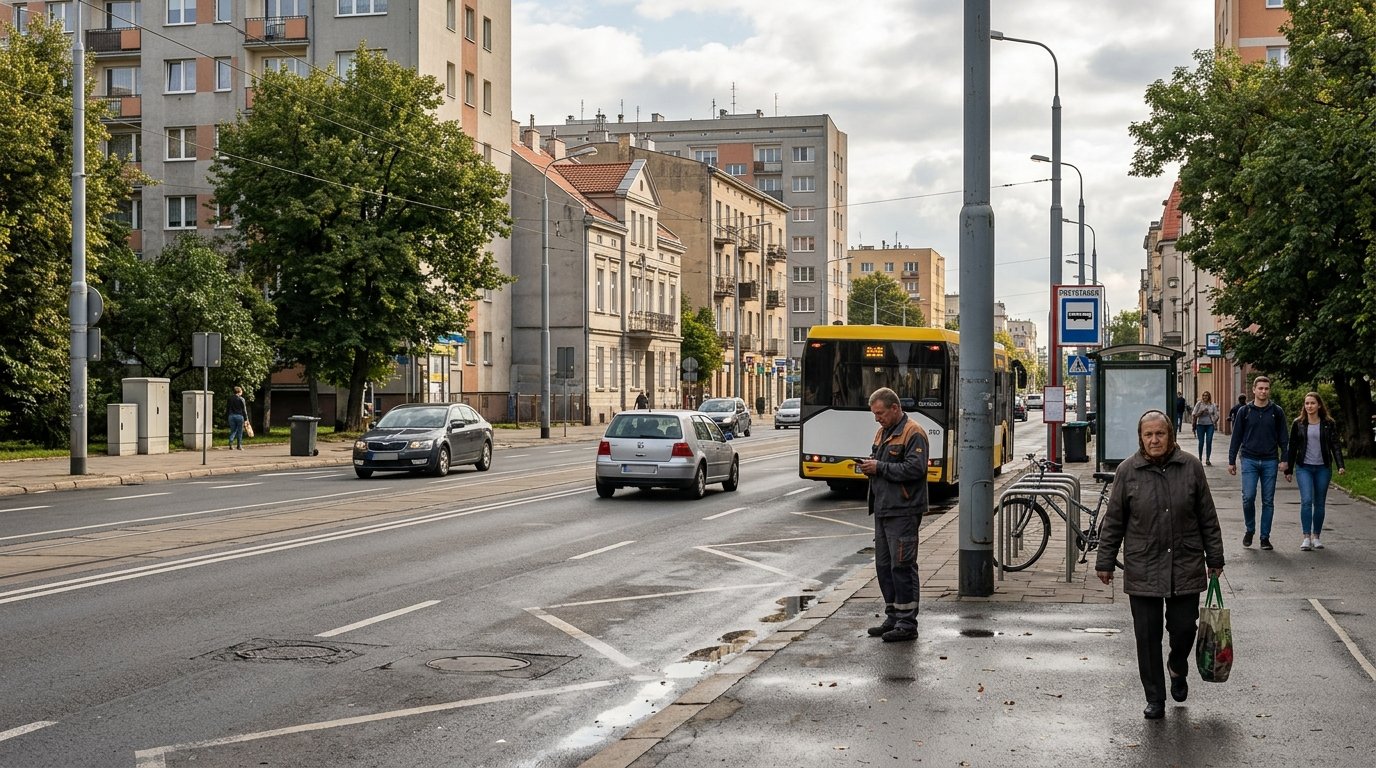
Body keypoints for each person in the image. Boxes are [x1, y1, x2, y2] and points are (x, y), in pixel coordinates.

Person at [1096, 410, 1225, 720]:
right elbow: (1114, 520)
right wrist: (1105, 560)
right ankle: (1155, 698)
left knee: (1183, 629)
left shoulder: (1191, 467)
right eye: (1148, 435)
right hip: (1143, 565)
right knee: (1147, 636)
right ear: (1141, 438)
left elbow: (1207, 516)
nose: (1154, 439)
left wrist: (1215, 558)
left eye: (1160, 434)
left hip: (1185, 561)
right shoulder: (1128, 471)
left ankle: (1177, 665)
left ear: (1171, 436)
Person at [855, 387, 929, 643]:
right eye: (875, 414)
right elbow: (882, 462)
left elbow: (916, 469)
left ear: (894, 408)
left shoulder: (913, 432)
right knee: (884, 566)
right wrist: (869, 465)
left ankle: (907, 623)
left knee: (902, 566)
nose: (877, 418)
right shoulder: (883, 431)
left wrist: (880, 467)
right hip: (884, 508)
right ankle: (893, 616)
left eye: (880, 413)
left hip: (904, 510)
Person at [1227, 376, 1289, 550]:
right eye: (1260, 388)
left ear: (1269, 390)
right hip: (1249, 459)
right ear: (1253, 390)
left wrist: (1285, 459)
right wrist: (1231, 460)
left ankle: (1264, 537)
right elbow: (1236, 437)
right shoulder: (1244, 412)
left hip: (1270, 460)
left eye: (1266, 388)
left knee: (1268, 500)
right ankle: (1250, 529)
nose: (1263, 391)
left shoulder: (1277, 412)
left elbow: (1284, 438)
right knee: (1248, 497)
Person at [1284, 392, 1346, 551]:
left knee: (1319, 502)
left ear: (1319, 405)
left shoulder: (1328, 423)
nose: (1309, 406)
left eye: (1312, 403)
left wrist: (1340, 465)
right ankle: (1306, 537)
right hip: (1304, 467)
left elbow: (1335, 445)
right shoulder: (1298, 423)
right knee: (1306, 500)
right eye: (1307, 403)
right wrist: (1288, 470)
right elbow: (1292, 447)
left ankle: (1316, 536)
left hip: (1323, 467)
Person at [1191, 391, 1221, 465]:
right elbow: (1194, 414)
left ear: (1209, 397)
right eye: (1204, 395)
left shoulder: (1212, 405)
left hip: (1210, 425)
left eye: (1206, 396)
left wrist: (1213, 419)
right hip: (1200, 425)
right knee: (1201, 442)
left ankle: (1208, 459)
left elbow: (1217, 415)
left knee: (1209, 441)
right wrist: (1201, 412)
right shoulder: (1199, 404)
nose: (1205, 397)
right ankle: (1200, 458)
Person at [226, 386, 248, 450]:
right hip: (239, 416)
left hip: (231, 416)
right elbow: (244, 410)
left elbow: (227, 408)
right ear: (239, 392)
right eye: (241, 391)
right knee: (240, 431)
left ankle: (231, 442)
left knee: (233, 430)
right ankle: (239, 446)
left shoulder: (229, 399)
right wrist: (246, 419)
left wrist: (227, 416)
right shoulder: (241, 399)